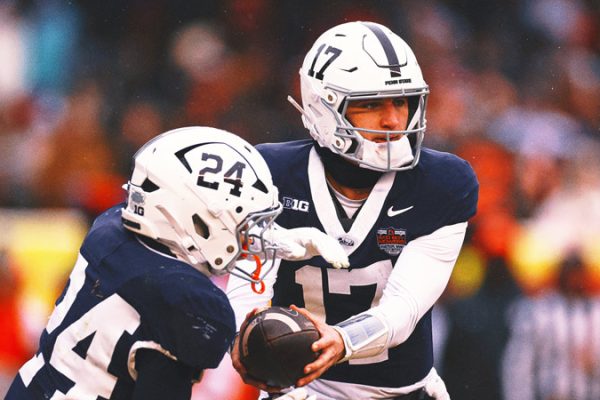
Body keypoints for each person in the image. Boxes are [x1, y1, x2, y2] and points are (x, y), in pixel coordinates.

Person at [228, 21, 479, 400]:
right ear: (323, 106)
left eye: (402, 101)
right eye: (371, 104)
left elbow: (405, 307)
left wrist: (343, 339)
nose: (393, 120)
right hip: (299, 393)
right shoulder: (269, 175)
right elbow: (249, 287)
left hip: (403, 394)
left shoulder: (442, 183)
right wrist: (241, 337)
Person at [5, 126, 347, 400]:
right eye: (242, 222)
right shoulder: (188, 304)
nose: (249, 236)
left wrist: (275, 239)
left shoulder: (112, 230)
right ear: (197, 218)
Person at [502, 252, 600, 400]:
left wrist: (594, 364)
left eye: (577, 272)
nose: (574, 279)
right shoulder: (538, 311)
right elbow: (518, 366)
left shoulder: (595, 312)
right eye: (570, 272)